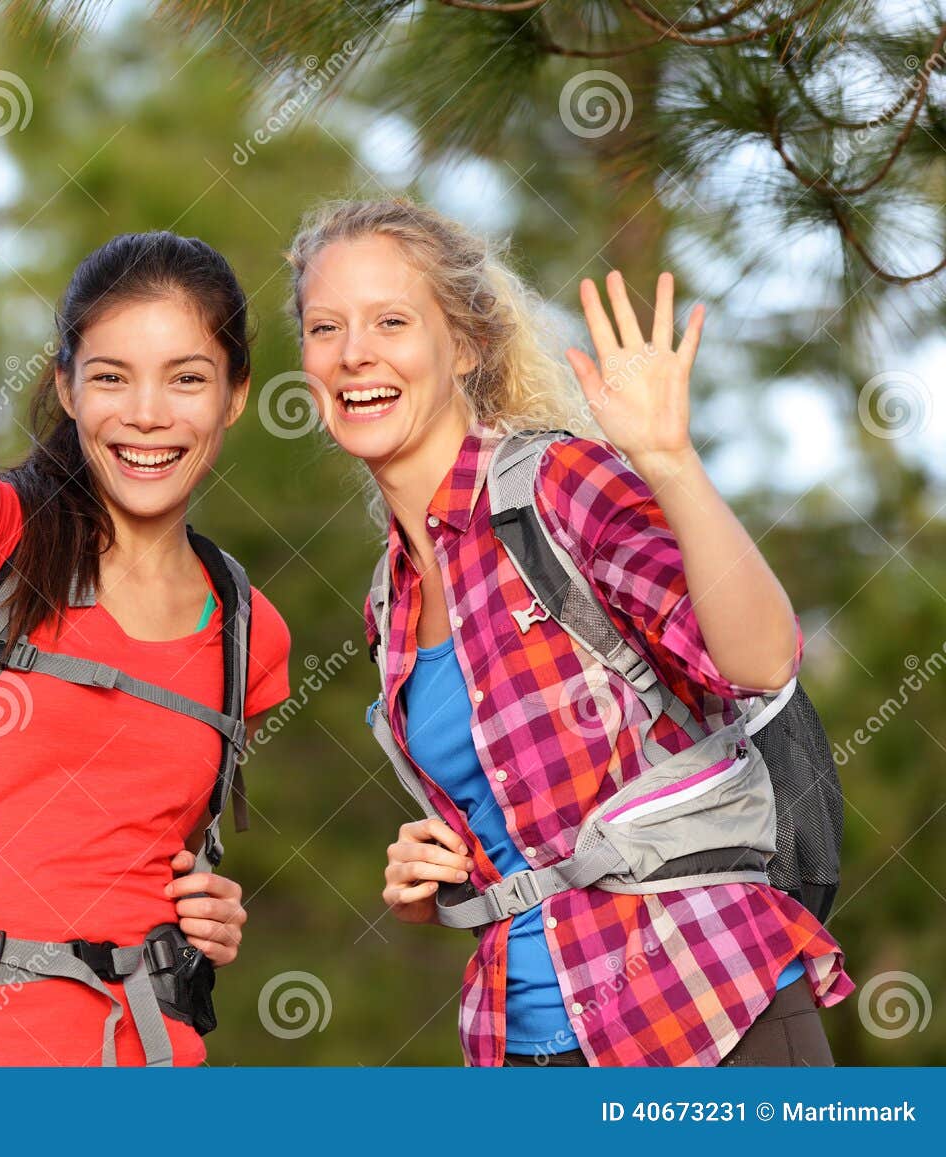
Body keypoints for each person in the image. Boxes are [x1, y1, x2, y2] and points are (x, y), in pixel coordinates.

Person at [284, 196, 853, 1066]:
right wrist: (433, 874)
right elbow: (523, 820)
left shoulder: (554, 484)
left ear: (466, 346)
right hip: (526, 1045)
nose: (353, 351)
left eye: (391, 320)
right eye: (327, 328)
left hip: (708, 1012)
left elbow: (762, 658)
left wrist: (670, 461)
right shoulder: (388, 603)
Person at [0, 142, 291, 1065]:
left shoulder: (249, 630)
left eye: (187, 378)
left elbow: (141, 843)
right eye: (111, 376)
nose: (147, 413)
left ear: (235, 398)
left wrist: (209, 907)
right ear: (66, 388)